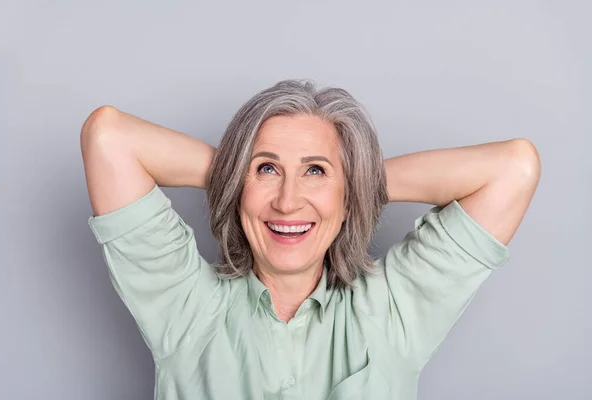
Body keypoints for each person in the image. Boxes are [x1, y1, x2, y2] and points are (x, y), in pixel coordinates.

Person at [81, 80, 541, 400]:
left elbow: (513, 169)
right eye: (267, 169)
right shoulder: (184, 308)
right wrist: (235, 174)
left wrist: (354, 183)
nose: (287, 201)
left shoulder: (392, 311)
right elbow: (108, 137)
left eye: (315, 171)